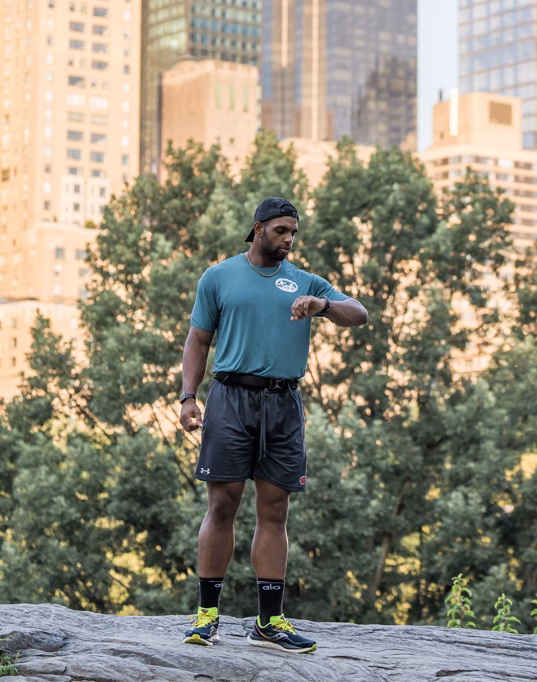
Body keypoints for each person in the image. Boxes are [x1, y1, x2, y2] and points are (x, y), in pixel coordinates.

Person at [178, 197, 368, 653]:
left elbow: (359, 314)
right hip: (230, 399)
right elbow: (198, 340)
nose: (287, 240)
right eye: (281, 231)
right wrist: (188, 396)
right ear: (258, 228)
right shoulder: (219, 276)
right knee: (222, 506)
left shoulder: (305, 281)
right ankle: (207, 615)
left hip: (283, 404)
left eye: (293, 234)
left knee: (275, 511)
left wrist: (321, 305)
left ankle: (269, 623)